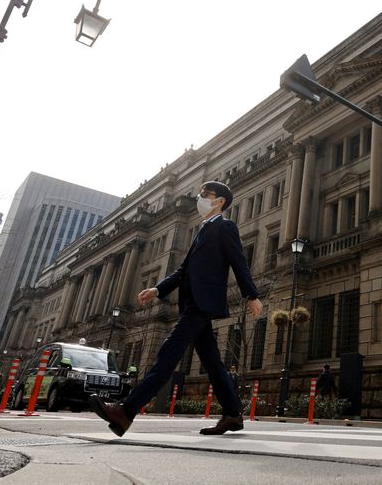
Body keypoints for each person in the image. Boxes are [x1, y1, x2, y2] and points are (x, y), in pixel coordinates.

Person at [89, 181, 264, 437]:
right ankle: (233, 414)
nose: (201, 198)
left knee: (168, 353)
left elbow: (239, 261)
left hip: (202, 304)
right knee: (213, 363)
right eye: (201, 194)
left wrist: (252, 295)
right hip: (193, 303)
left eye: (207, 195)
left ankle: (126, 411)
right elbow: (184, 270)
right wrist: (158, 289)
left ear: (221, 201)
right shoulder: (202, 231)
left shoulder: (225, 227)